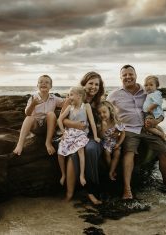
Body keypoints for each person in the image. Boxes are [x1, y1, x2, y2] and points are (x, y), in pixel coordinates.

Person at [107, 65, 166, 199]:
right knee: (129, 153)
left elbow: (159, 110)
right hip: (128, 130)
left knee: (164, 151)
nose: (128, 77)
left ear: (136, 75)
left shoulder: (146, 90)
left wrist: (156, 122)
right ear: (120, 78)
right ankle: (127, 190)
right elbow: (106, 112)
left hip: (147, 128)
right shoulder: (114, 94)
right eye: (124, 75)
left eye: (130, 74)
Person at [62, 71, 105, 205]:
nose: (93, 87)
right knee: (73, 154)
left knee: (91, 150)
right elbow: (63, 120)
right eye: (90, 83)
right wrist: (76, 125)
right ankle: (69, 194)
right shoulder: (73, 98)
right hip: (75, 134)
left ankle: (92, 191)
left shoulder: (100, 102)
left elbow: (110, 117)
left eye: (97, 84)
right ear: (84, 84)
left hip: (94, 136)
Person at [57, 87, 100, 187]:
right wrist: (63, 132)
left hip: (82, 133)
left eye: (71, 94)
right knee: (60, 152)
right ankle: (63, 175)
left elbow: (92, 122)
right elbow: (59, 120)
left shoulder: (86, 106)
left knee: (80, 151)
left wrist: (96, 136)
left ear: (79, 96)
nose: (69, 97)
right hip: (70, 132)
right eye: (68, 95)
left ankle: (81, 175)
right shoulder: (69, 107)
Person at [13, 75, 64, 156]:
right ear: (37, 85)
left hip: (48, 127)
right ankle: (20, 144)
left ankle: (48, 142)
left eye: (47, 82)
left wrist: (72, 97)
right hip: (35, 127)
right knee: (29, 117)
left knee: (51, 114)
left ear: (50, 86)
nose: (43, 84)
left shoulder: (54, 98)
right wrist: (33, 105)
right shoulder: (33, 98)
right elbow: (27, 113)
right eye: (41, 82)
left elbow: (64, 103)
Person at [97, 101, 125, 181]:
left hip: (115, 142)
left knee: (117, 153)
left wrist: (119, 144)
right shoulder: (101, 123)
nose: (102, 115)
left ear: (110, 111)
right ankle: (111, 169)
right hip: (106, 143)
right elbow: (101, 136)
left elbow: (123, 134)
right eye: (99, 113)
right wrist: (103, 128)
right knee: (107, 153)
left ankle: (111, 171)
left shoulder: (116, 122)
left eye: (104, 112)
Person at [143, 75, 166, 141]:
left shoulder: (156, 93)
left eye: (151, 85)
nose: (148, 87)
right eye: (146, 85)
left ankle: (161, 134)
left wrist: (150, 108)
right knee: (154, 126)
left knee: (147, 127)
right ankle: (163, 134)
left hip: (153, 114)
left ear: (156, 86)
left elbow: (158, 102)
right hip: (150, 114)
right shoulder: (150, 94)